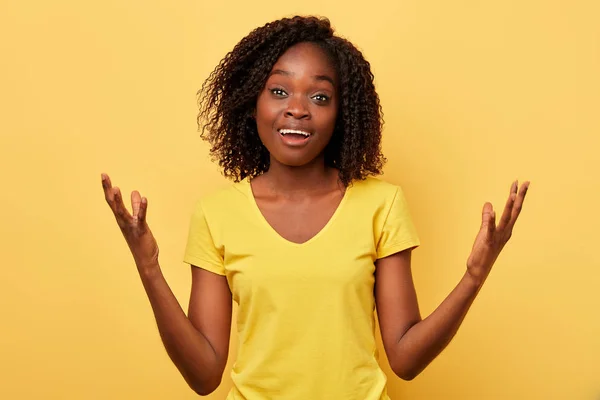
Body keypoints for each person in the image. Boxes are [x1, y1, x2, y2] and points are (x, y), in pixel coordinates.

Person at [101, 15, 529, 400]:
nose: (297, 109)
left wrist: (475, 276)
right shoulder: (216, 216)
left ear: (342, 114)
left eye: (320, 97)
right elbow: (204, 375)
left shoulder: (382, 205)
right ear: (253, 103)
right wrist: (150, 268)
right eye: (280, 90)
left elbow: (405, 359)